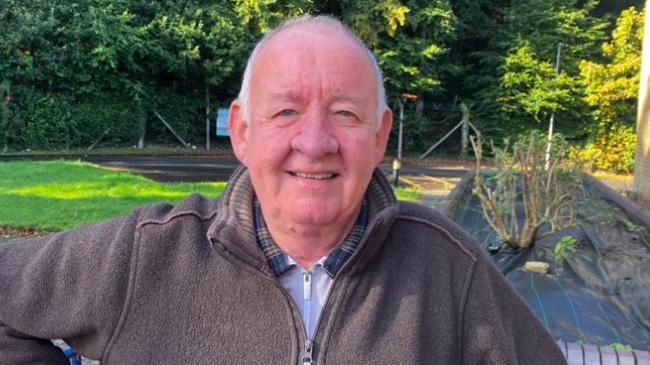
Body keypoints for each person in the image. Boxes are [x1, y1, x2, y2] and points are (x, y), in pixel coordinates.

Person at [0, 15, 566, 364]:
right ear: (242, 131)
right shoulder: (146, 255)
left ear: (380, 135)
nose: (315, 142)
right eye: (287, 111)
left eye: (345, 113)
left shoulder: (449, 266)